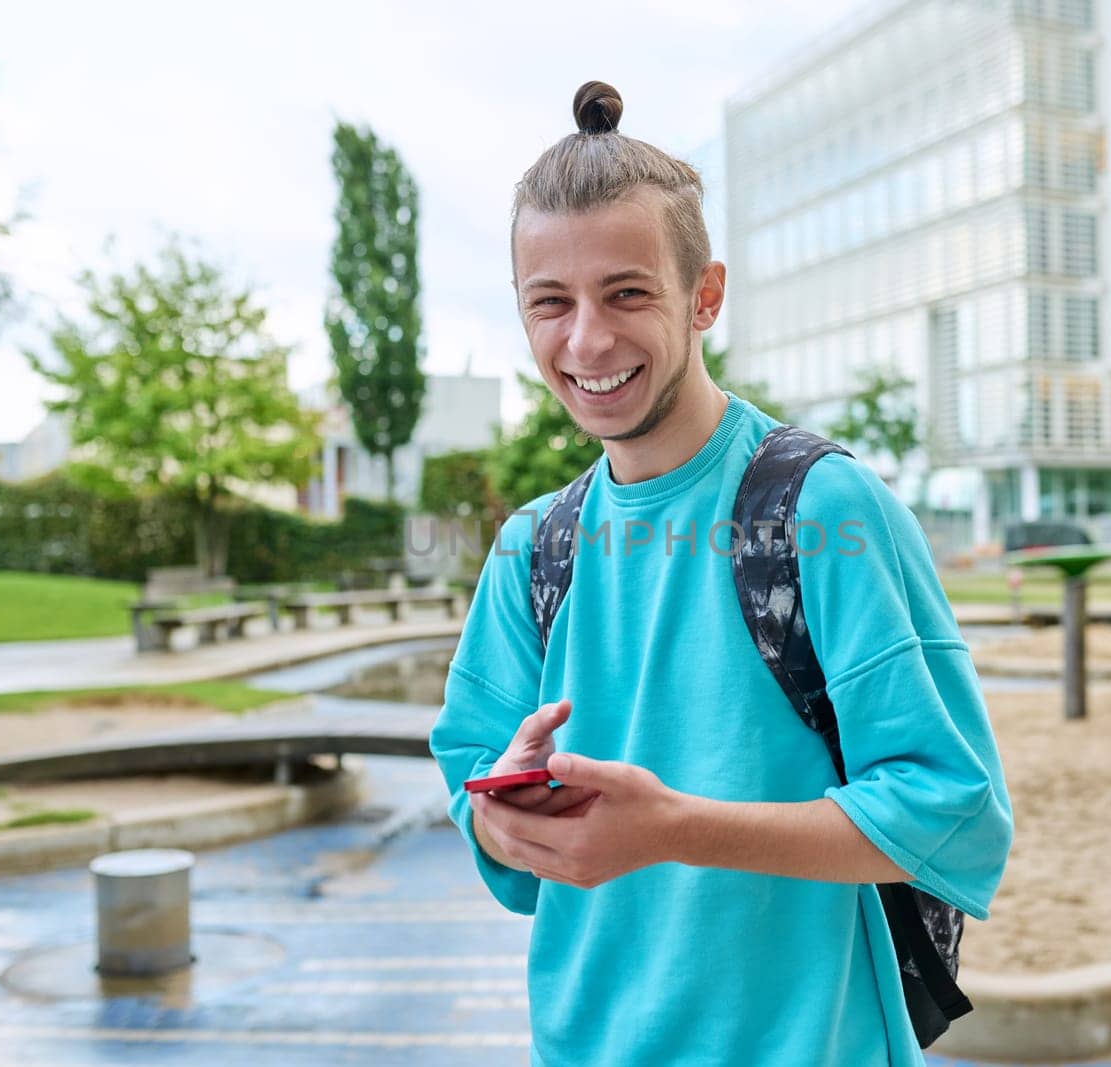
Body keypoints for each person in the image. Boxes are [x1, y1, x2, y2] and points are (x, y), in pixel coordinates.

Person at [429, 81, 1013, 1066]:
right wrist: (504, 813)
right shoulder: (534, 546)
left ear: (704, 296)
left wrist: (671, 829)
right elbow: (470, 784)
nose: (587, 340)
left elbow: (950, 807)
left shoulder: (823, 508)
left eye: (626, 292)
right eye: (551, 303)